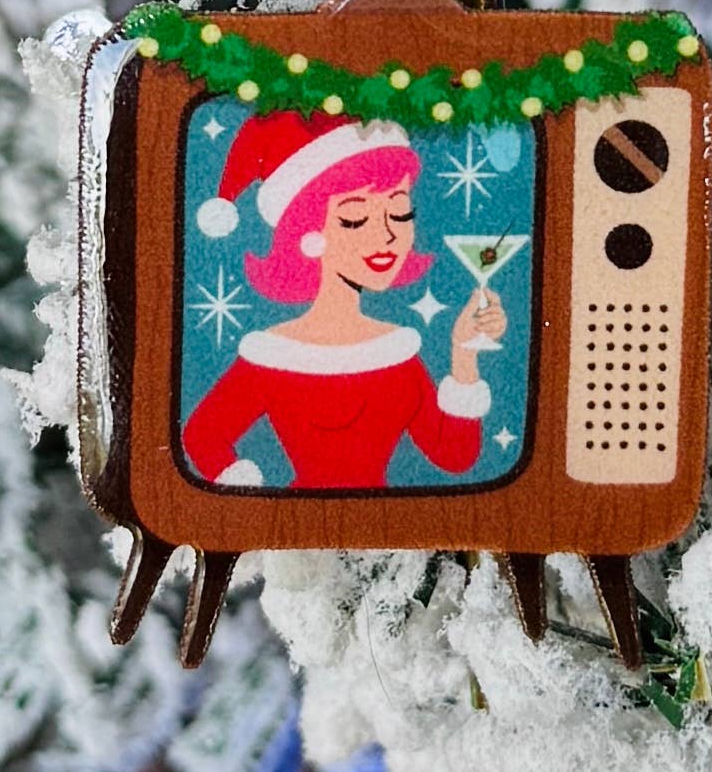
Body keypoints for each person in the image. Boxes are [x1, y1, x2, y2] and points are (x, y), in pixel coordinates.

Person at [184, 109, 506, 489]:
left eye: (399, 213)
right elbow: (202, 436)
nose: (387, 235)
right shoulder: (270, 356)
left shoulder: (398, 354)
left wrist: (464, 354)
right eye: (355, 219)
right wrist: (250, 501)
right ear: (308, 233)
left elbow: (454, 456)